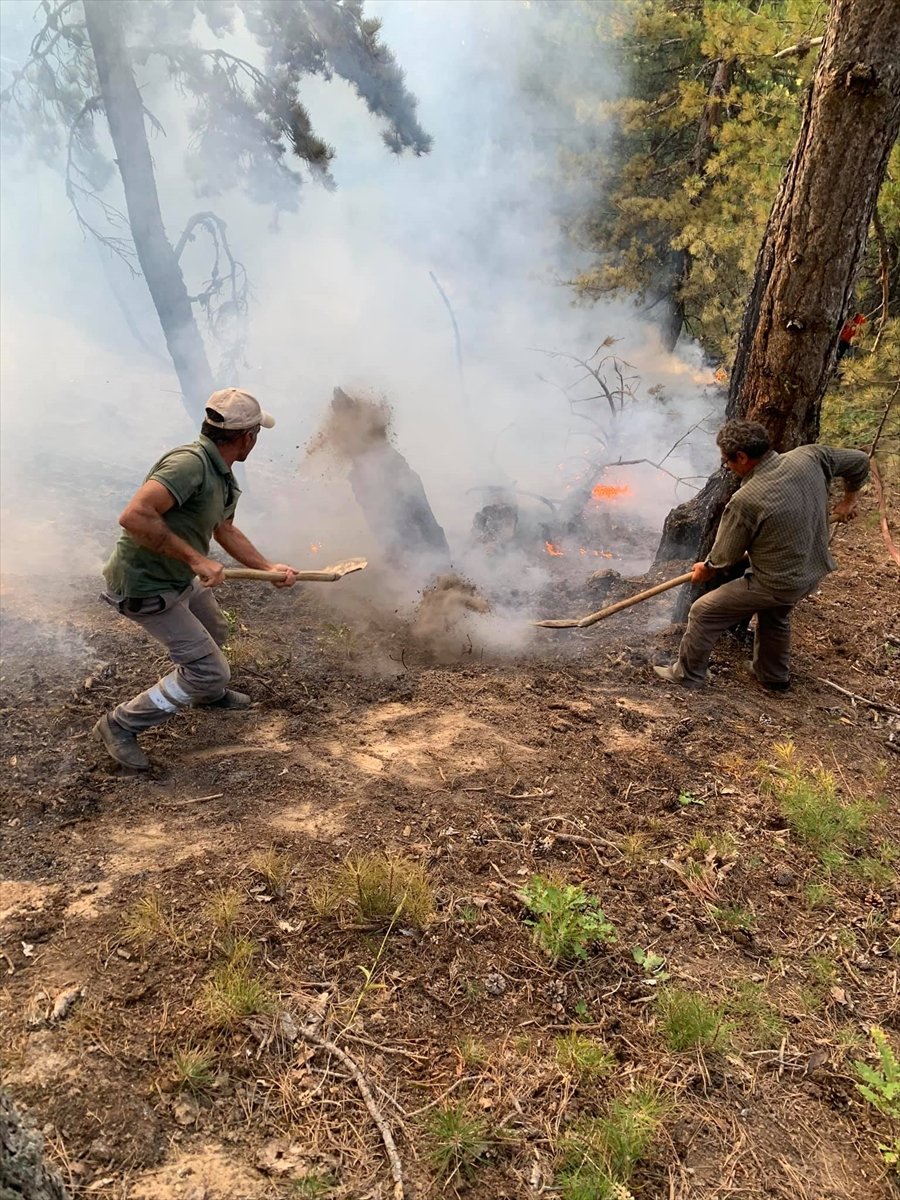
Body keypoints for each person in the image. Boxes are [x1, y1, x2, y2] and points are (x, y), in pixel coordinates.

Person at [94, 388, 299, 769]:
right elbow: (134, 516)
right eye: (256, 433)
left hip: (176, 577)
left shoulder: (221, 474)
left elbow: (225, 529)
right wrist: (195, 558)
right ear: (247, 438)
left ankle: (206, 694)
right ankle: (120, 724)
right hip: (145, 585)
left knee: (215, 631)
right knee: (207, 671)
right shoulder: (188, 465)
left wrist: (267, 567)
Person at [653, 419, 869, 692]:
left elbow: (725, 557)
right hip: (813, 569)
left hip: (777, 581)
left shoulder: (747, 499)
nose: (727, 467)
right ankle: (772, 675)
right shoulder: (811, 456)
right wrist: (849, 498)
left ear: (741, 457)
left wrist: (706, 568)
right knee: (775, 615)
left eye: (726, 462)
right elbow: (860, 461)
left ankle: (688, 675)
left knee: (703, 611)